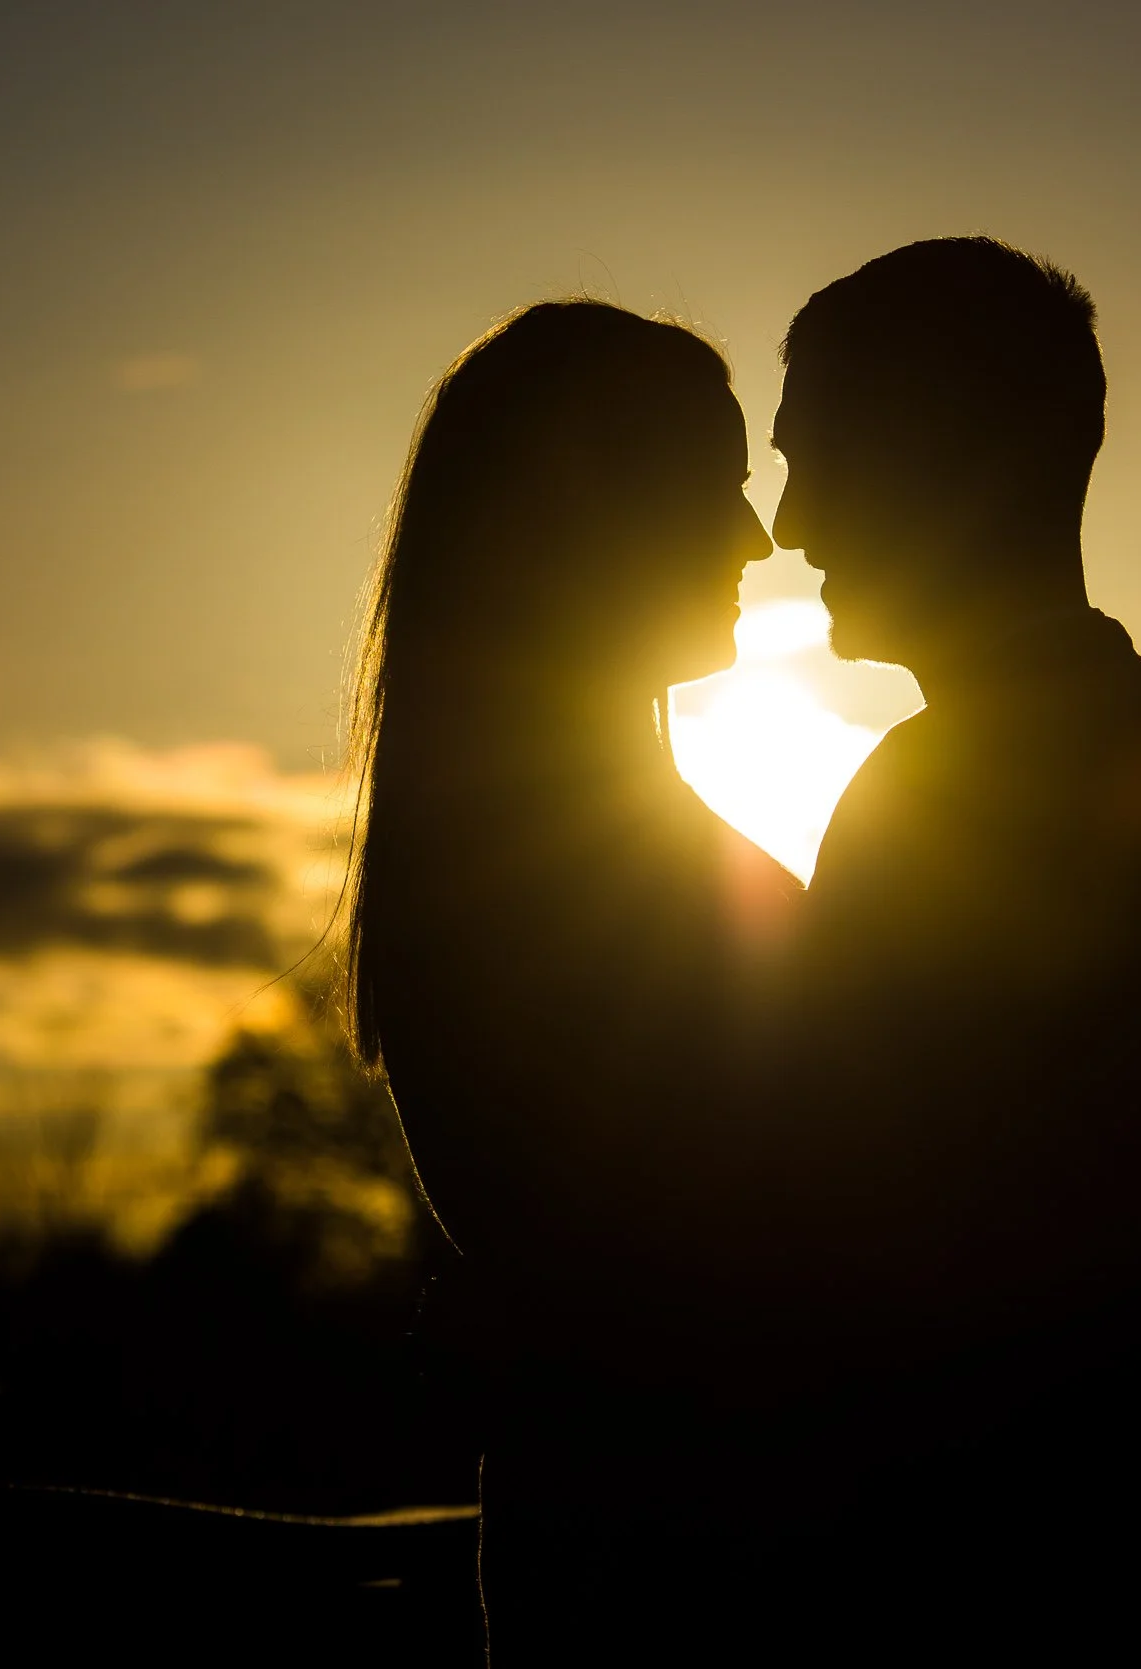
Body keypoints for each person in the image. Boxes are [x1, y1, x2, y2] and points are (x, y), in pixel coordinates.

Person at [748, 236, 1141, 1658]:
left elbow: (855, 1240)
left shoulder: (978, 784)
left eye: (819, 458)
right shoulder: (1074, 739)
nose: (790, 525)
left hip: (1056, 1615)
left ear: (944, 453)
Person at [340, 300, 800, 1661]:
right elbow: (703, 1258)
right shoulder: (550, 873)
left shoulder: (582, 846)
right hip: (685, 1596)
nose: (757, 543)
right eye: (712, 489)